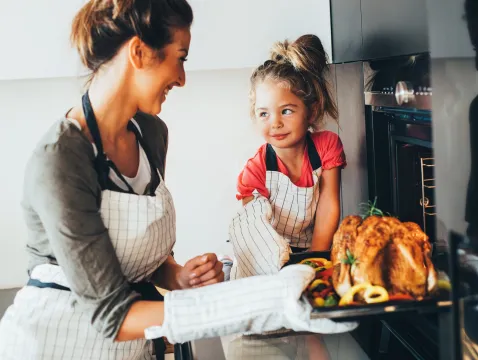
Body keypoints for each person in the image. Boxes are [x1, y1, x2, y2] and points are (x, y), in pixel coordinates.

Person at [0, 1, 356, 359]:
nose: (182, 78)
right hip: (54, 344)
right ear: (139, 53)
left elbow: (139, 259)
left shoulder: (151, 134)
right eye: (180, 57)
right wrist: (251, 301)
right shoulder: (61, 159)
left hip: (132, 350)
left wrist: (179, 276)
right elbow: (112, 315)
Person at [229, 35, 346, 278]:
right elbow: (257, 234)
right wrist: (284, 272)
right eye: (264, 114)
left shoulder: (326, 147)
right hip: (267, 260)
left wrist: (314, 259)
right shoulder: (256, 170)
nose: (276, 123)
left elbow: (328, 207)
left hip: (312, 249)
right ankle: (227, 267)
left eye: (286, 111)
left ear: (311, 112)